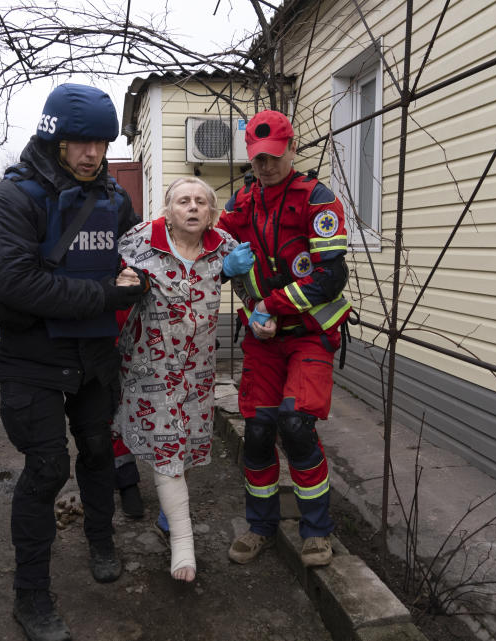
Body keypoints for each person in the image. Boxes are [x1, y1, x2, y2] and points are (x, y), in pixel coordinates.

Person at [0, 83, 149, 641]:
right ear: (54, 140)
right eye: (79, 142)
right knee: (48, 468)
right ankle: (30, 596)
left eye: (100, 142)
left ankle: (101, 540)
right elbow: (15, 283)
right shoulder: (15, 198)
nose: (91, 154)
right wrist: (104, 296)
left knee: (99, 453)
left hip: (96, 357)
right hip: (34, 360)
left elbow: (138, 259)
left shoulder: (114, 198)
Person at [218, 110, 353, 568]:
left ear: (292, 149)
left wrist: (269, 306)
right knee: (256, 433)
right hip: (262, 340)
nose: (267, 167)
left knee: (296, 427)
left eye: (274, 157)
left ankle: (316, 531)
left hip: (309, 335)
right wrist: (222, 267)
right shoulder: (242, 203)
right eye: (258, 160)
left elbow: (330, 277)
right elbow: (212, 247)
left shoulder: (317, 199)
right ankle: (260, 526)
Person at [113, 177, 254, 582]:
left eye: (200, 202)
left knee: (187, 447)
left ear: (210, 212)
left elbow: (249, 292)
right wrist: (124, 283)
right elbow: (109, 278)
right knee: (169, 446)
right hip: (149, 369)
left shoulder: (224, 246)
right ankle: (183, 543)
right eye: (182, 201)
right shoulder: (140, 240)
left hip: (198, 370)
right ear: (168, 211)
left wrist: (259, 313)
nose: (192, 207)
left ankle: (168, 512)